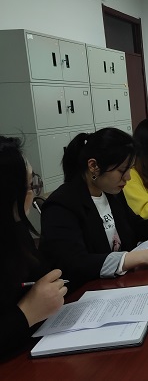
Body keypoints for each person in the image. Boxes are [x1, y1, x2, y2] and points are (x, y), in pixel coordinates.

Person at [39, 128, 148, 288]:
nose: (128, 177)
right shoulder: (61, 205)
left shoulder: (111, 193)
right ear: (93, 166)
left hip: (120, 283)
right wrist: (136, 258)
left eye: (130, 169)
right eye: (122, 170)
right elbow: (74, 263)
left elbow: (134, 225)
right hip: (88, 291)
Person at [0, 136, 67, 356]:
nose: (33, 192)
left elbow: (40, 275)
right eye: (30, 185)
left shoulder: (15, 229)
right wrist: (26, 313)